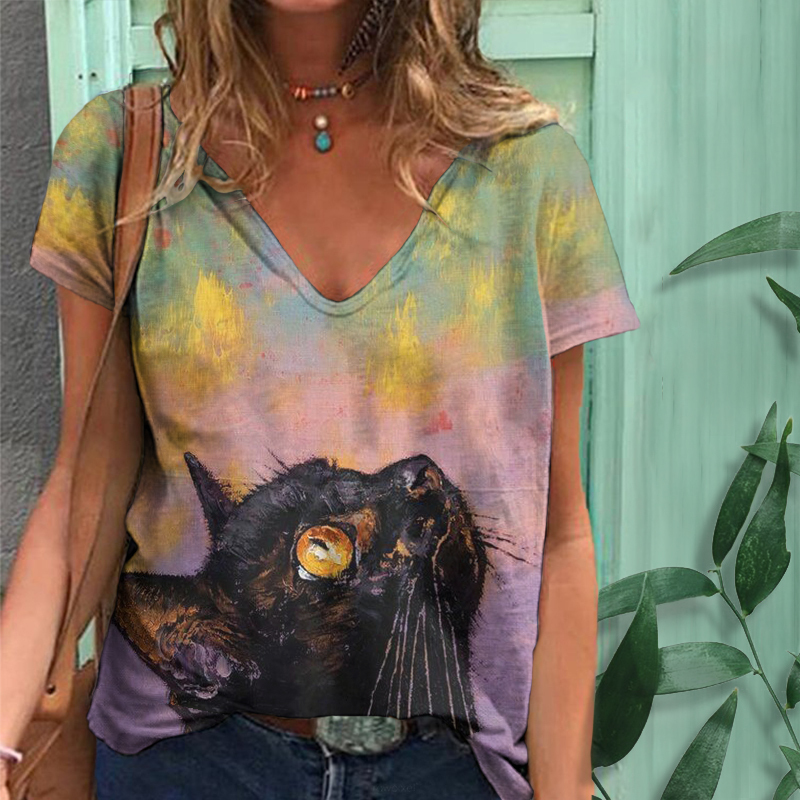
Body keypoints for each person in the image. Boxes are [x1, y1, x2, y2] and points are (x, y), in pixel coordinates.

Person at [0, 0, 641, 798]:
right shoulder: (126, 155)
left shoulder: (529, 171)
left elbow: (561, 534)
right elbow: (81, 491)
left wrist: (564, 788)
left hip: (453, 768)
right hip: (192, 765)